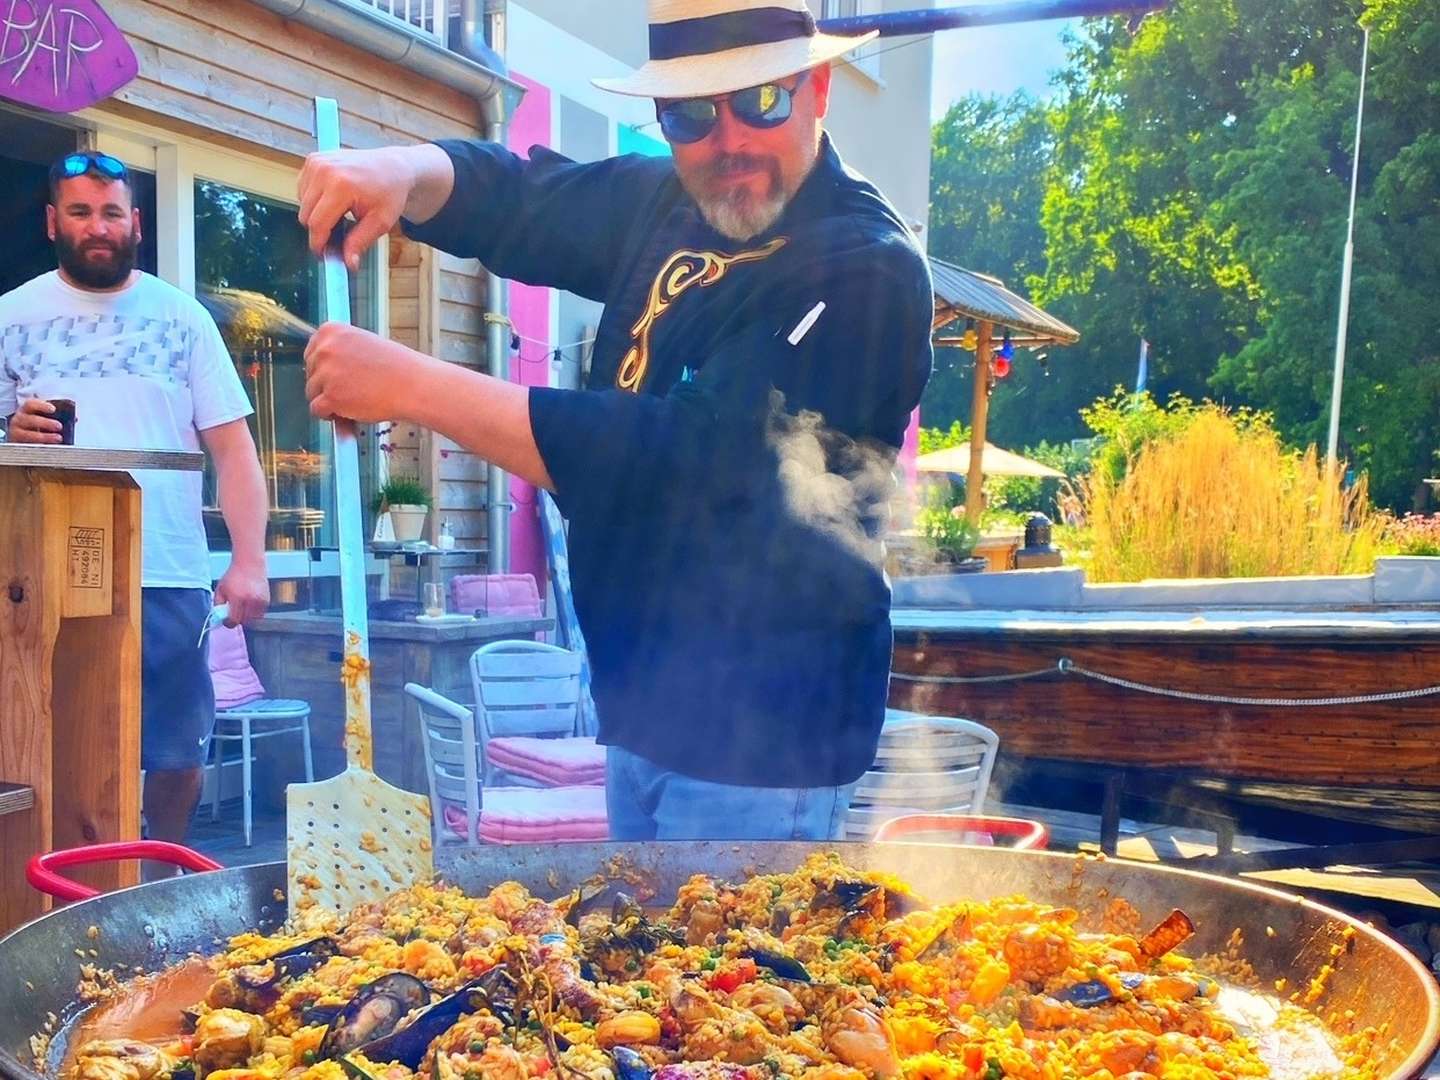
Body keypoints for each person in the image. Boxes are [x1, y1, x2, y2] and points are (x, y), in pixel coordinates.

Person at [298, 0, 933, 840]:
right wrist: (405, 174)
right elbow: (525, 198)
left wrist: (409, 385)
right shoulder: (667, 204)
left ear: (816, 87)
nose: (730, 140)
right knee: (645, 970)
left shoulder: (867, 270)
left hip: (767, 751)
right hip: (645, 715)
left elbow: (686, 464)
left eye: (762, 102)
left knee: (727, 975)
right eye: (692, 115)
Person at [0, 150, 270, 864]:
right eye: (82, 212)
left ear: (136, 223)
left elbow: (235, 450)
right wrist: (7, 431)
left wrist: (249, 561)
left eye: (112, 212)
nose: (98, 226)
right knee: (45, 741)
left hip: (167, 565)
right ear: (53, 220)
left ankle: (161, 878)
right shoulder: (11, 316)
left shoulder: (181, 319)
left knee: (176, 744)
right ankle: (50, 888)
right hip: (43, 572)